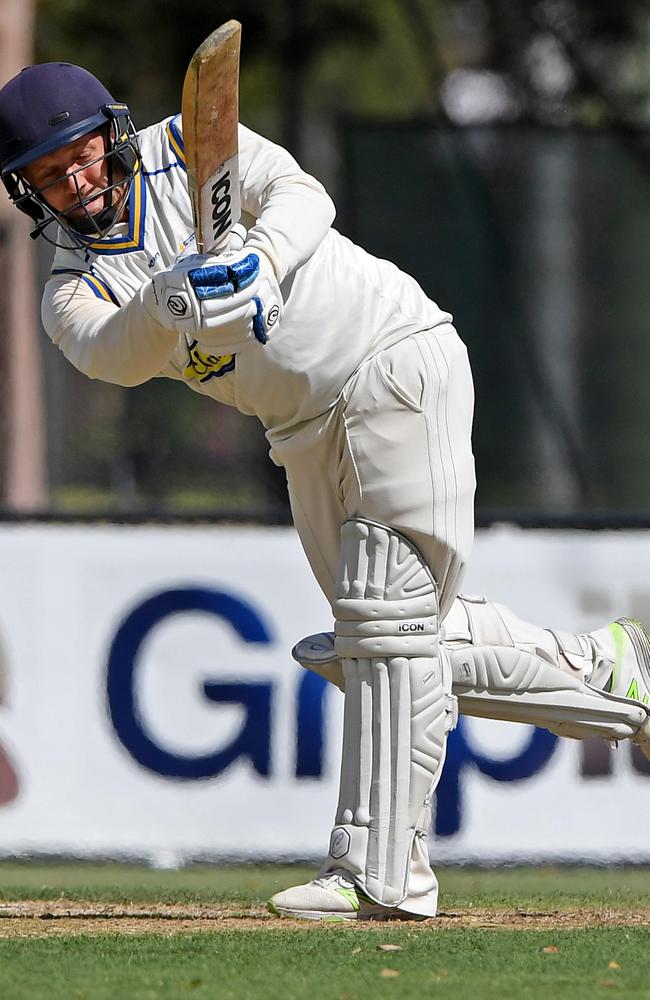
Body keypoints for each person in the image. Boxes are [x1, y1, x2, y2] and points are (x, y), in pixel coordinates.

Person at [0, 62, 648, 922]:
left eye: (79, 155)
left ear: (110, 137)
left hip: (388, 357)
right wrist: (171, 301)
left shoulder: (187, 148)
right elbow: (113, 354)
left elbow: (304, 197)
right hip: (298, 430)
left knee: (384, 629)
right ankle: (614, 674)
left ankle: (382, 873)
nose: (75, 181)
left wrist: (260, 264)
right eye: (50, 172)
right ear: (27, 190)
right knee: (386, 644)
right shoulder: (69, 289)